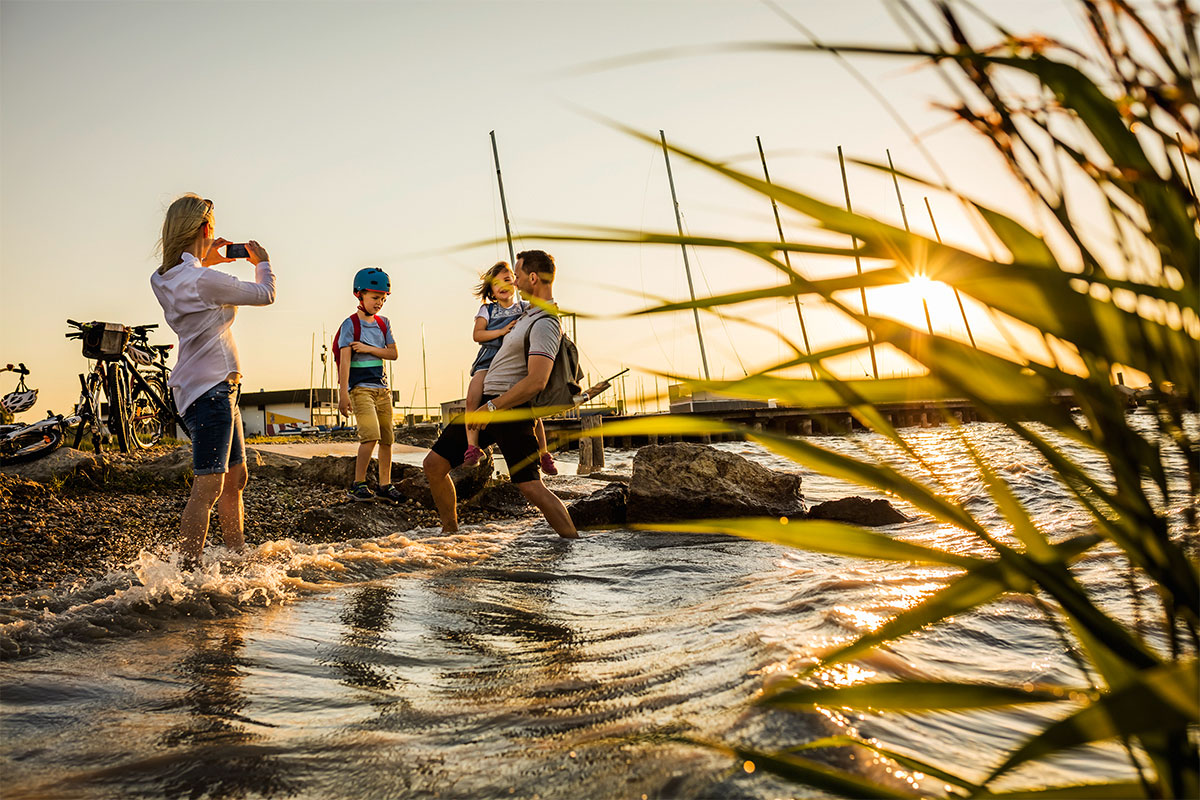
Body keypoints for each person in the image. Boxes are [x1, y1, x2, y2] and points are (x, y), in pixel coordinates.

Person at [424, 250, 609, 539]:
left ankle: (572, 542)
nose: (516, 282)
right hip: (490, 404)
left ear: (533, 278)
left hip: (509, 410)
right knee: (434, 465)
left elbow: (537, 380)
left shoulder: (546, 322)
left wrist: (493, 408)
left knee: (531, 486)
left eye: (519, 276)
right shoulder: (527, 313)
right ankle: (451, 534)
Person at [150, 194, 275, 569]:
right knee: (208, 486)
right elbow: (265, 294)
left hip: (211, 387)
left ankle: (237, 557)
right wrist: (263, 261)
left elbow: (188, 277)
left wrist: (206, 257)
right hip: (212, 390)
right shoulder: (204, 279)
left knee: (236, 477)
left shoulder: (162, 278)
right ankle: (188, 570)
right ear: (206, 229)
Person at [463, 261, 556, 475]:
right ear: (491, 290)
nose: (502, 286)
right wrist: (503, 330)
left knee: (532, 408)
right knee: (472, 396)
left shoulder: (524, 307)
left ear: (515, 282)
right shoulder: (487, 309)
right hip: (489, 361)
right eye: (496, 283)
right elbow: (478, 335)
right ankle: (472, 447)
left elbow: (540, 312)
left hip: (515, 362)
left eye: (507, 280)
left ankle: (543, 453)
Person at [336, 267, 401, 502]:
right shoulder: (350, 325)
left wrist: (367, 348)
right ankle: (358, 483)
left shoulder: (384, 324)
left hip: (382, 389)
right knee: (370, 436)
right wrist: (343, 394)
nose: (380, 302)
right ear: (359, 295)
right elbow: (344, 361)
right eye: (375, 297)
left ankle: (385, 484)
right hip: (360, 388)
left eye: (383, 298)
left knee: (387, 438)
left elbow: (393, 354)